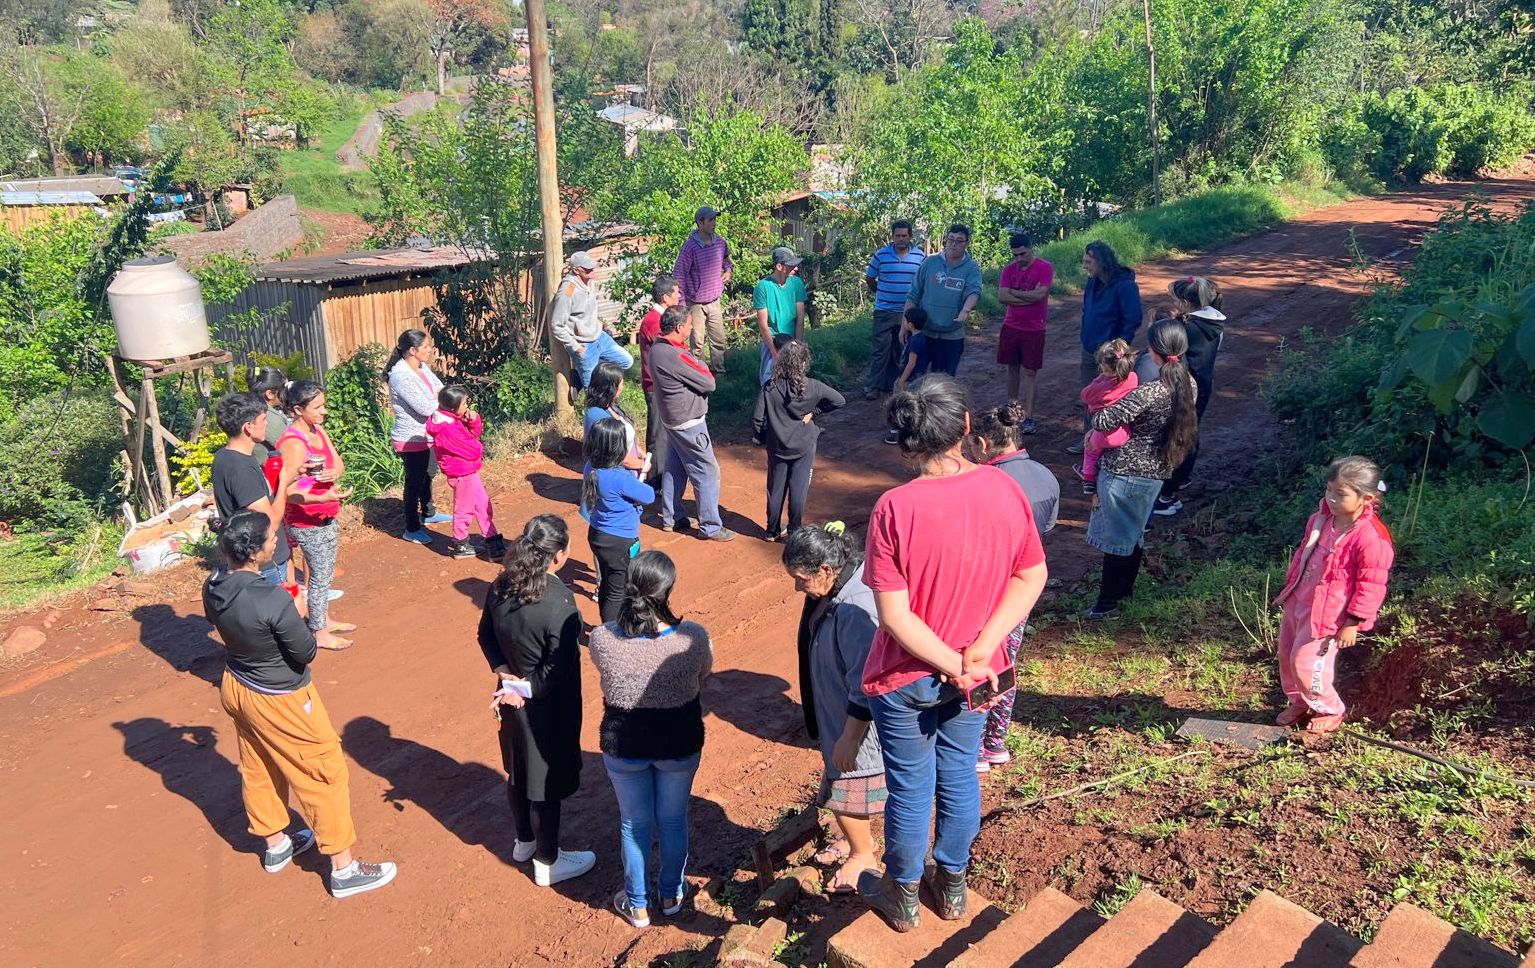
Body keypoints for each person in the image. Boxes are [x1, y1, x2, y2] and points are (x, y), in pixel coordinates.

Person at [860, 376, 1049, 932]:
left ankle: (904, 897)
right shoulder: (1004, 488)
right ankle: (954, 885)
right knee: (961, 774)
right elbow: (1031, 574)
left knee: (911, 787)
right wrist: (980, 653)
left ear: (907, 440)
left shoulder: (895, 507)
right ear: (967, 427)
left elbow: (895, 617)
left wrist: (951, 662)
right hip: (981, 672)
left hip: (908, 675)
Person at [203, 510, 396, 899]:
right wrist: (302, 613)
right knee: (322, 771)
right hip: (282, 697)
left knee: (258, 764)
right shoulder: (271, 597)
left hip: (237, 686)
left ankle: (276, 845)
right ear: (256, 551)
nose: (277, 542)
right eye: (272, 538)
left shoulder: (213, 584)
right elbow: (306, 651)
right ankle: (343, 869)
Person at [588, 551, 713, 928]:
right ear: (668, 589)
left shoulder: (603, 638)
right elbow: (702, 674)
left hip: (625, 746)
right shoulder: (693, 636)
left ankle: (637, 903)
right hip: (678, 741)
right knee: (673, 820)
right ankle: (671, 894)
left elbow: (604, 669)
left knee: (633, 824)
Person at [477, 514, 595, 885]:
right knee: (545, 781)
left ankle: (523, 841)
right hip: (548, 707)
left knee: (518, 770)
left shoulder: (500, 585)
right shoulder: (560, 602)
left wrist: (503, 674)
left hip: (510, 698)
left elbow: (485, 636)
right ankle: (548, 862)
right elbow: (557, 669)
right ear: (559, 556)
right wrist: (525, 688)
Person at [781, 523, 885, 894]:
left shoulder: (854, 605)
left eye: (800, 578)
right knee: (845, 782)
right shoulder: (834, 591)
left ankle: (863, 857)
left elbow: (865, 682)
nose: (798, 587)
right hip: (835, 711)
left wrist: (850, 738)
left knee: (848, 785)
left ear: (826, 569)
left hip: (853, 721)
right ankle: (858, 842)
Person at [966, 402, 1060, 773]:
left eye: (973, 445)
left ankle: (972, 747)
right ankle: (996, 743)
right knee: (1007, 662)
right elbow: (1045, 532)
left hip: (986, 591)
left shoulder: (986, 484)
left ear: (984, 444)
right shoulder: (1045, 476)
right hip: (1023, 590)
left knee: (977, 662)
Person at [1083, 320, 1198, 620]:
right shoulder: (1189, 385)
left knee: (1117, 541)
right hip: (1157, 472)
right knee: (1133, 536)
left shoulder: (1152, 391)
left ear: (1154, 351)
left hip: (1125, 470)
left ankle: (1107, 605)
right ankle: (1124, 596)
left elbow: (1103, 421)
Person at [1273, 457, 1394, 733]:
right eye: (1329, 491)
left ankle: (1329, 708)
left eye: (1340, 494)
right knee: (1287, 655)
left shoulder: (1371, 537)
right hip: (1300, 602)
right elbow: (1304, 554)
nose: (1331, 498)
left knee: (1306, 662)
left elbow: (1372, 584)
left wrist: (1353, 622)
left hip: (1328, 615)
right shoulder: (1320, 521)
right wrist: (1290, 589)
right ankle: (1301, 701)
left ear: (1367, 498)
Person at [277, 380, 354, 651]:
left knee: (324, 573)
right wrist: (321, 496)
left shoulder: (317, 430)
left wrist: (334, 475)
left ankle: (323, 619)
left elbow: (338, 462)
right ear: (298, 409)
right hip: (306, 518)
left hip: (326, 511)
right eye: (318, 407)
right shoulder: (293, 443)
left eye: (324, 405)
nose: (325, 411)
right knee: (320, 576)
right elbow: (286, 488)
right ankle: (319, 631)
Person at [1141, 276, 1227, 517]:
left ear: (1186, 303)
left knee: (1178, 435)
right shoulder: (1213, 322)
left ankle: (1167, 495)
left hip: (1185, 387)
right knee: (1190, 431)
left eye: (1176, 300)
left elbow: (1172, 353)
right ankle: (1178, 484)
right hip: (1203, 384)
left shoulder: (1186, 329)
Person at [650, 306, 735, 541]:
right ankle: (710, 526)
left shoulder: (657, 348)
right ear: (679, 328)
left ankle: (672, 517)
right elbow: (709, 382)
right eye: (689, 324)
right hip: (689, 423)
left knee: (675, 469)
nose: (691, 328)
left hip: (672, 421)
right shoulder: (676, 355)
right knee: (707, 471)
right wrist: (702, 364)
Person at [751, 340, 845, 540]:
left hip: (777, 446)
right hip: (804, 444)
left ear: (781, 362)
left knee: (775, 489)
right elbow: (839, 400)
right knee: (798, 489)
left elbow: (758, 418)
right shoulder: (813, 387)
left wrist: (762, 438)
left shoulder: (770, 387)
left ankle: (772, 530)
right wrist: (815, 412)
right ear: (803, 364)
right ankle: (794, 530)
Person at [211, 392, 294, 590]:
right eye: (264, 419)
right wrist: (284, 482)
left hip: (250, 559)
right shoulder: (240, 469)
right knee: (277, 616)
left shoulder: (225, 456)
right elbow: (270, 523)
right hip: (262, 564)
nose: (267, 424)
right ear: (248, 427)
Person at [583, 417, 656, 623]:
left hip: (597, 534)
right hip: (620, 540)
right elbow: (649, 495)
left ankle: (608, 626)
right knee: (618, 591)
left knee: (607, 584)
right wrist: (641, 472)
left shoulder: (591, 467)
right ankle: (611, 633)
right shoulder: (619, 478)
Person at [1074, 241, 1143, 453]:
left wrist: (1118, 349)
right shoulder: (1093, 282)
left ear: (1101, 261)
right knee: (1091, 396)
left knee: (1110, 399)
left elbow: (1133, 319)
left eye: (1088, 262)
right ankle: (1090, 440)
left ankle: (1110, 442)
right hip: (1089, 349)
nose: (1085, 266)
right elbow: (1088, 310)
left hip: (1111, 355)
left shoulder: (1125, 286)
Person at [385, 329, 451, 544]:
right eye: (426, 347)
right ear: (412, 350)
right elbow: (425, 407)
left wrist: (436, 398)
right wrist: (437, 399)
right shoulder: (400, 376)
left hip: (427, 434)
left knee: (428, 473)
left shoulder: (421, 367)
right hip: (411, 437)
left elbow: (441, 390)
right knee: (414, 481)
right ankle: (411, 527)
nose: (430, 350)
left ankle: (429, 513)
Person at [426, 385, 504, 561]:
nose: (466, 407)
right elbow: (474, 449)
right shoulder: (448, 428)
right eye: (464, 404)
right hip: (461, 472)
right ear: (453, 408)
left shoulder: (449, 419)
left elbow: (472, 436)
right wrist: (475, 440)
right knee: (464, 509)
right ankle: (460, 543)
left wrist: (473, 421)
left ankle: (492, 539)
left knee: (482, 504)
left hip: (467, 470)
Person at [969, 401, 1059, 540]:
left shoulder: (979, 484)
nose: (970, 453)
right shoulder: (1046, 475)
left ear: (982, 444)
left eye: (970, 446)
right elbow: (1047, 526)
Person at [905, 224, 982, 378]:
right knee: (914, 377)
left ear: (967, 243)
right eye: (951, 239)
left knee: (943, 382)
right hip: (924, 332)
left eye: (959, 241)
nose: (954, 244)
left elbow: (973, 292)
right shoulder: (930, 262)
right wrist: (904, 326)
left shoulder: (972, 268)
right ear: (946, 240)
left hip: (952, 335)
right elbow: (913, 293)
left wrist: (965, 311)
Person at [551, 250, 633, 393]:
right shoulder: (568, 291)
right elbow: (557, 325)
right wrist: (576, 347)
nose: (593, 271)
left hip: (599, 336)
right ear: (576, 271)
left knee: (626, 361)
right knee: (593, 391)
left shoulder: (589, 282)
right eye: (588, 269)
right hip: (584, 344)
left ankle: (583, 374)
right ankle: (594, 408)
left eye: (593, 267)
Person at [996, 232, 1053, 431]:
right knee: (1012, 369)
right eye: (1015, 255)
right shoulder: (1008, 270)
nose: (1019, 259)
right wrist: (1028, 296)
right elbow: (1002, 297)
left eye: (1023, 254)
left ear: (1031, 249)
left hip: (1034, 328)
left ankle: (1029, 415)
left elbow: (1041, 294)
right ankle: (1012, 411)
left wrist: (1015, 293)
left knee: (1030, 372)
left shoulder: (1045, 267)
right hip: (1011, 326)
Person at [863, 220, 926, 400]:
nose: (900, 239)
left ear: (910, 236)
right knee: (880, 350)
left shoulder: (920, 257)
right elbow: (870, 279)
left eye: (904, 235)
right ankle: (875, 386)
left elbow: (922, 283)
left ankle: (898, 384)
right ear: (892, 236)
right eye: (897, 235)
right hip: (884, 310)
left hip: (908, 313)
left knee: (903, 349)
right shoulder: (881, 255)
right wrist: (881, 294)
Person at [673, 206, 733, 373]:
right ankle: (697, 374)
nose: (714, 223)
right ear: (700, 222)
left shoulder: (719, 242)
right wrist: (682, 303)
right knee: (697, 342)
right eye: (710, 220)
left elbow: (727, 261)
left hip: (715, 299)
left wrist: (728, 271)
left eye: (714, 219)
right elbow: (679, 275)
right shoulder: (689, 247)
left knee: (718, 339)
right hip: (695, 303)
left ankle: (719, 373)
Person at [1077, 339, 1140, 495]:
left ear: (1106, 366)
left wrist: (1100, 379)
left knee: (1090, 449)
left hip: (1102, 433)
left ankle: (1088, 479)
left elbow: (1085, 395)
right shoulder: (1133, 378)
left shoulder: (1101, 385)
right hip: (1123, 432)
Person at [637, 275, 682, 487]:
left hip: (662, 384)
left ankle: (661, 478)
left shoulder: (657, 319)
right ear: (665, 297)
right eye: (677, 293)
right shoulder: (653, 321)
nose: (680, 296)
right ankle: (654, 480)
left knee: (664, 433)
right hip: (655, 385)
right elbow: (667, 351)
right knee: (657, 435)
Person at [752, 246, 807, 386]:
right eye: (792, 265)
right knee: (769, 379)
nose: (796, 268)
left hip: (792, 337)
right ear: (779, 266)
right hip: (773, 338)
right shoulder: (762, 287)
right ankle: (767, 403)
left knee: (797, 377)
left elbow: (800, 318)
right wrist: (774, 351)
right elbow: (763, 324)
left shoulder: (797, 283)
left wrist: (799, 345)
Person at [881, 307, 933, 446]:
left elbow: (911, 363)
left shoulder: (916, 342)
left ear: (910, 324)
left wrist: (902, 380)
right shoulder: (919, 338)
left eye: (905, 320)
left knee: (898, 404)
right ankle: (914, 431)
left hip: (909, 379)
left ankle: (895, 432)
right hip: (917, 378)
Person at [583, 361, 647, 473]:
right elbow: (612, 455)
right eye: (621, 383)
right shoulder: (597, 416)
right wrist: (641, 465)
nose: (623, 386)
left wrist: (639, 452)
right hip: (614, 476)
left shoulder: (610, 406)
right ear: (611, 387)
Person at [250, 367, 290, 460]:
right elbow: (290, 449)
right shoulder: (268, 417)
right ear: (270, 394)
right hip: (269, 470)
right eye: (284, 389)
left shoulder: (251, 406)